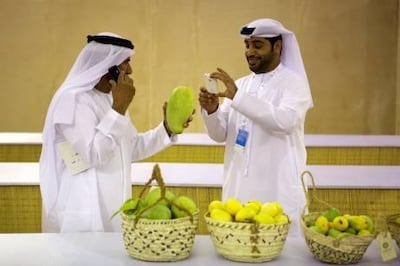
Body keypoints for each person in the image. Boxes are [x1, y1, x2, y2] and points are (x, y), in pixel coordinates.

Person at [39, 32, 192, 232]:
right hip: (84, 208)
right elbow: (94, 154)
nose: (130, 69)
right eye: (125, 62)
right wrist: (119, 107)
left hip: (115, 206)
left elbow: (132, 147)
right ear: (107, 66)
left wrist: (167, 128)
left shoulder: (111, 99)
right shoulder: (73, 99)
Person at [198, 18, 313, 235]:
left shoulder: (293, 83)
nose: (250, 52)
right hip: (239, 189)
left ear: (277, 46)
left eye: (257, 45)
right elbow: (220, 134)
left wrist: (238, 97)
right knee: (238, 248)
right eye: (247, 45)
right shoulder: (240, 85)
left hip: (277, 187)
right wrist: (211, 111)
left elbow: (285, 121)